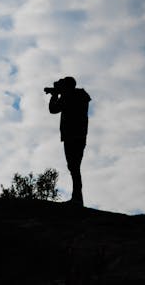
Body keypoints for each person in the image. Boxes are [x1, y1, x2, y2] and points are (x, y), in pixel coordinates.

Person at [47, 76, 91, 206]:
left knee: (74, 167)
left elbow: (53, 109)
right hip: (80, 135)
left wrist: (55, 95)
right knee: (74, 167)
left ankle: (77, 199)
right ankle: (77, 198)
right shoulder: (80, 95)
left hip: (71, 135)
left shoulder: (69, 96)